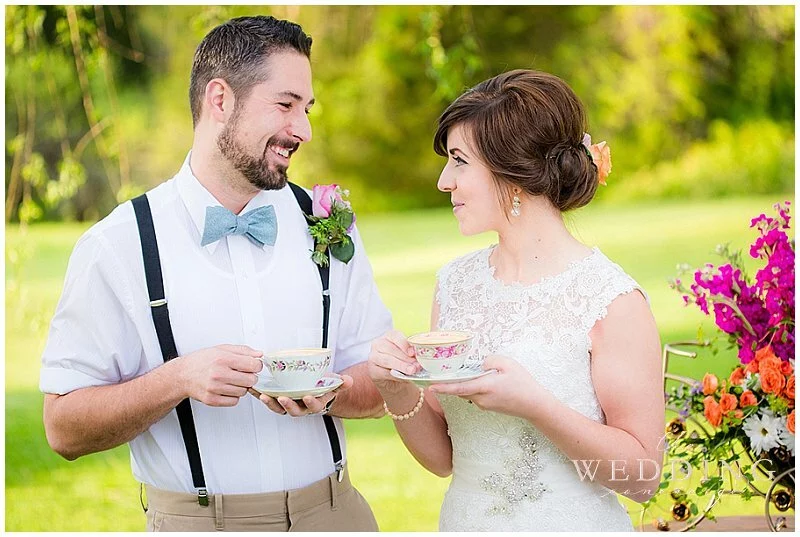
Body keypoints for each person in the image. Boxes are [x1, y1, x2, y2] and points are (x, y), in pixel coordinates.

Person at [40, 15, 390, 532]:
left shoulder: (327, 222)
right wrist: (177, 379)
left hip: (336, 516)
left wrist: (330, 390)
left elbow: (382, 381)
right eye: (286, 104)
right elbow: (63, 429)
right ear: (220, 99)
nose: (304, 130)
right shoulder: (118, 245)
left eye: (307, 108)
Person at [368, 70, 665, 531]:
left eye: (459, 161)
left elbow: (642, 479)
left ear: (516, 175)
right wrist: (396, 389)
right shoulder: (455, 284)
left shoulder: (611, 300)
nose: (444, 180)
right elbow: (444, 459)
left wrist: (536, 405)